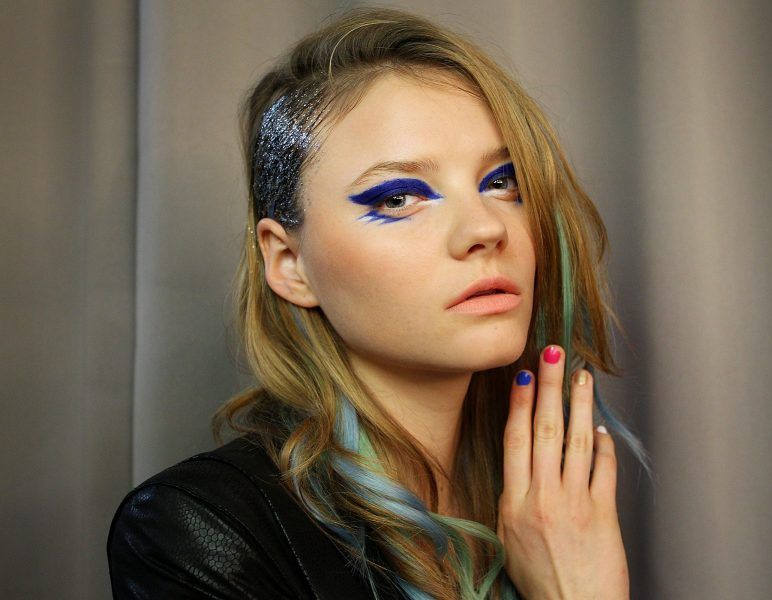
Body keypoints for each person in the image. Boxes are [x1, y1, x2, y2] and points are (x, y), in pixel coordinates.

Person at [107, 7, 650, 599]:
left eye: (502, 182)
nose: (485, 229)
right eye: (398, 197)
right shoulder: (198, 531)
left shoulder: (552, 513)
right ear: (290, 265)